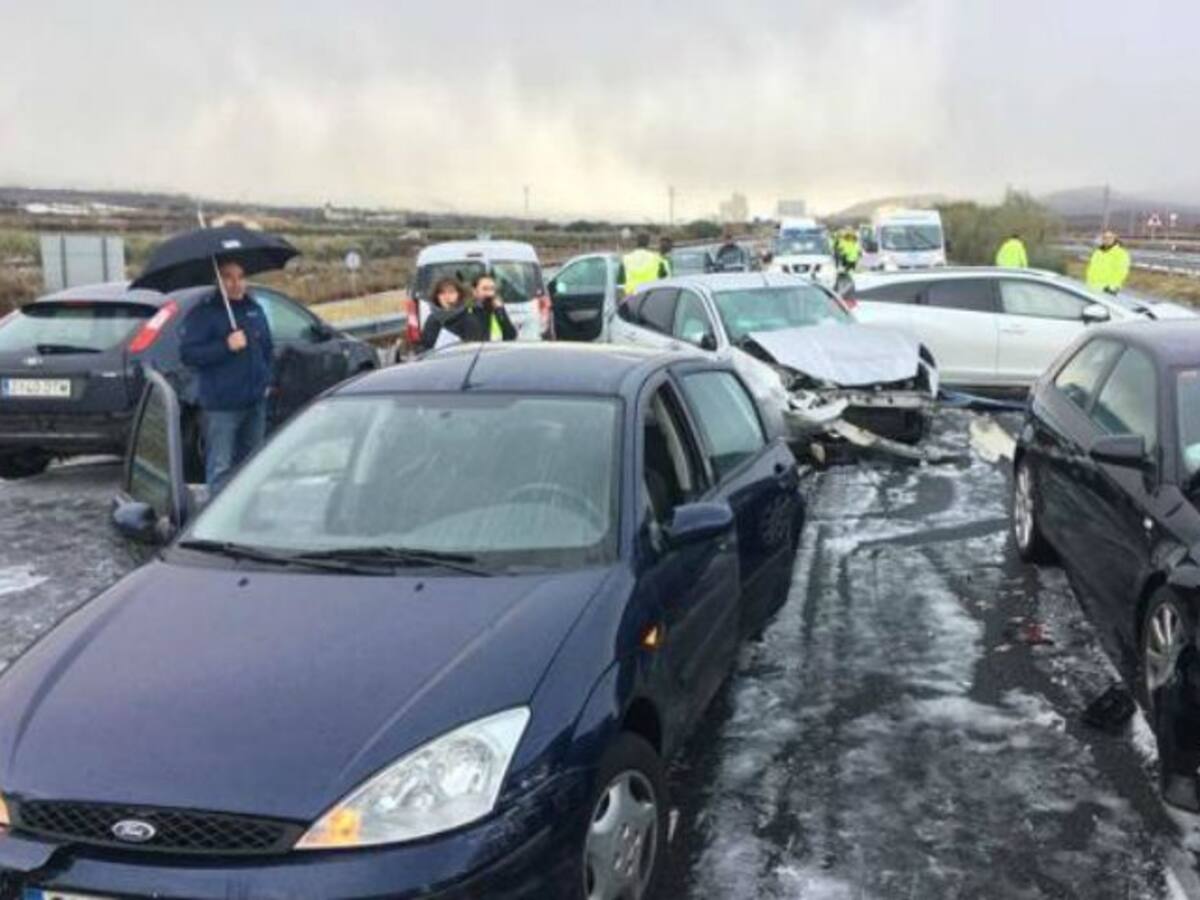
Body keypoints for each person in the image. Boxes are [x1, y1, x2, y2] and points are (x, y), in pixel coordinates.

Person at [180, 259, 274, 489]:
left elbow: (267, 349)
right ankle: (218, 510)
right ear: (217, 280)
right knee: (221, 468)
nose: (236, 283)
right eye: (228, 277)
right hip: (222, 406)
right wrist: (226, 346)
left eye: (240, 277)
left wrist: (267, 381)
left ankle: (249, 509)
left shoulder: (254, 309)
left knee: (253, 465)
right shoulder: (203, 314)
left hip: (254, 402)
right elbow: (189, 354)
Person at [420, 277, 469, 350]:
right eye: (442, 293)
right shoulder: (432, 319)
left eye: (451, 292)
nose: (447, 297)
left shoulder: (468, 317)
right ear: (437, 296)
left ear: (459, 294)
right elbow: (425, 346)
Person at [1086, 230, 1132, 294]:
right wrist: (1089, 283)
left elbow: (1122, 271)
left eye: (1110, 237)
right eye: (1105, 238)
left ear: (1115, 239)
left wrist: (1113, 286)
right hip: (1093, 288)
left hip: (1108, 289)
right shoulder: (1097, 252)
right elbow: (1091, 268)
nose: (1107, 240)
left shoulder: (1121, 253)